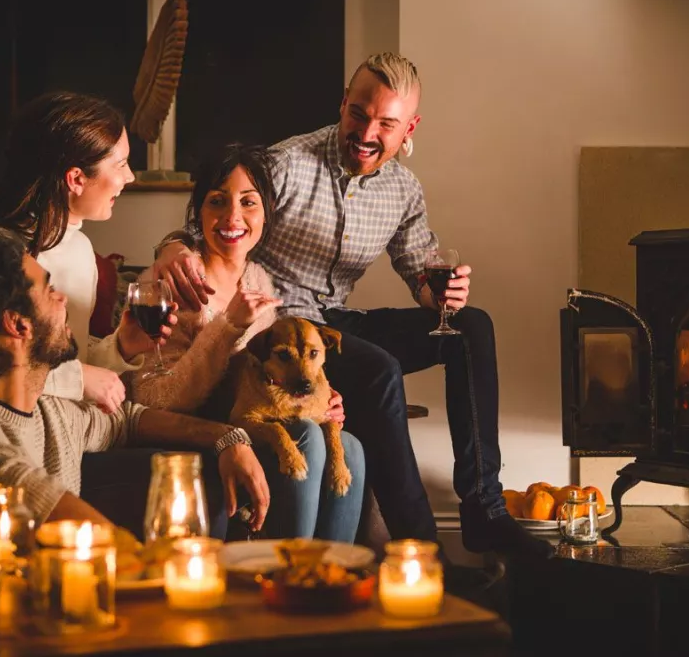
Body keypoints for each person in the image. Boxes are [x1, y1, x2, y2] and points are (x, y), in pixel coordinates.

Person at [153, 53, 552, 559]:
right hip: (280, 329)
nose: (367, 132)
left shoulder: (404, 191)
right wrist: (170, 248)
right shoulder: (287, 163)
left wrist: (441, 294)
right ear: (343, 105)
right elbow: (214, 217)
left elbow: (418, 270)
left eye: (386, 123)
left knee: (471, 327)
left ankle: (484, 511)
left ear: (410, 127)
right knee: (378, 367)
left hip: (337, 322)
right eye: (358, 114)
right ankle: (422, 552)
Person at [0, 227, 268, 558]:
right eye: (49, 290)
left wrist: (228, 438)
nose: (63, 299)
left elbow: (128, 420)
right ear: (17, 324)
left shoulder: (51, 411)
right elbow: (13, 485)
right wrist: (142, 565)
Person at [127, 144, 365, 544]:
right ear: (198, 212)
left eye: (248, 202)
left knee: (350, 447)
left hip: (247, 418)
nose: (233, 217)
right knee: (305, 438)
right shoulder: (168, 282)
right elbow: (154, 399)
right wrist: (227, 327)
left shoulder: (257, 278)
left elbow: (263, 374)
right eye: (217, 201)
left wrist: (309, 395)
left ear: (266, 213)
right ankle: (289, 578)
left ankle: (328, 582)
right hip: (198, 431)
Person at [0, 91, 167, 415]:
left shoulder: (80, 248)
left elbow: (73, 365)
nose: (129, 177)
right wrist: (79, 379)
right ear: (76, 178)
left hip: (67, 429)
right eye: (120, 165)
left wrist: (122, 346)